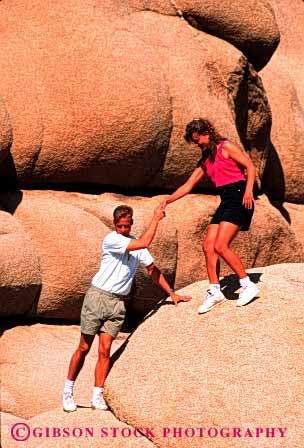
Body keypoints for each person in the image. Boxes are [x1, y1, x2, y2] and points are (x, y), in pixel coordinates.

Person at [62, 203, 191, 412]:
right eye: (120, 226)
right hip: (97, 298)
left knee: (105, 351)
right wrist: (156, 218)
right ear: (114, 224)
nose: (123, 230)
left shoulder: (135, 244)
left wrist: (172, 293)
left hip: (118, 304)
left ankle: (97, 396)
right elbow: (145, 242)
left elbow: (152, 270)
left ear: (131, 224)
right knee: (84, 347)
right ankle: (68, 391)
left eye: (126, 226)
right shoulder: (112, 240)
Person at [162, 117, 259, 314]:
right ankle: (215, 291)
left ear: (206, 133)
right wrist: (167, 201)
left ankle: (248, 285)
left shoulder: (226, 147)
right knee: (208, 245)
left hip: (239, 196)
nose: (197, 144)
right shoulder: (205, 160)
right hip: (226, 200)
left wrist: (249, 191)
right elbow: (188, 186)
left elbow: (250, 166)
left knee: (220, 245)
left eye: (198, 140)